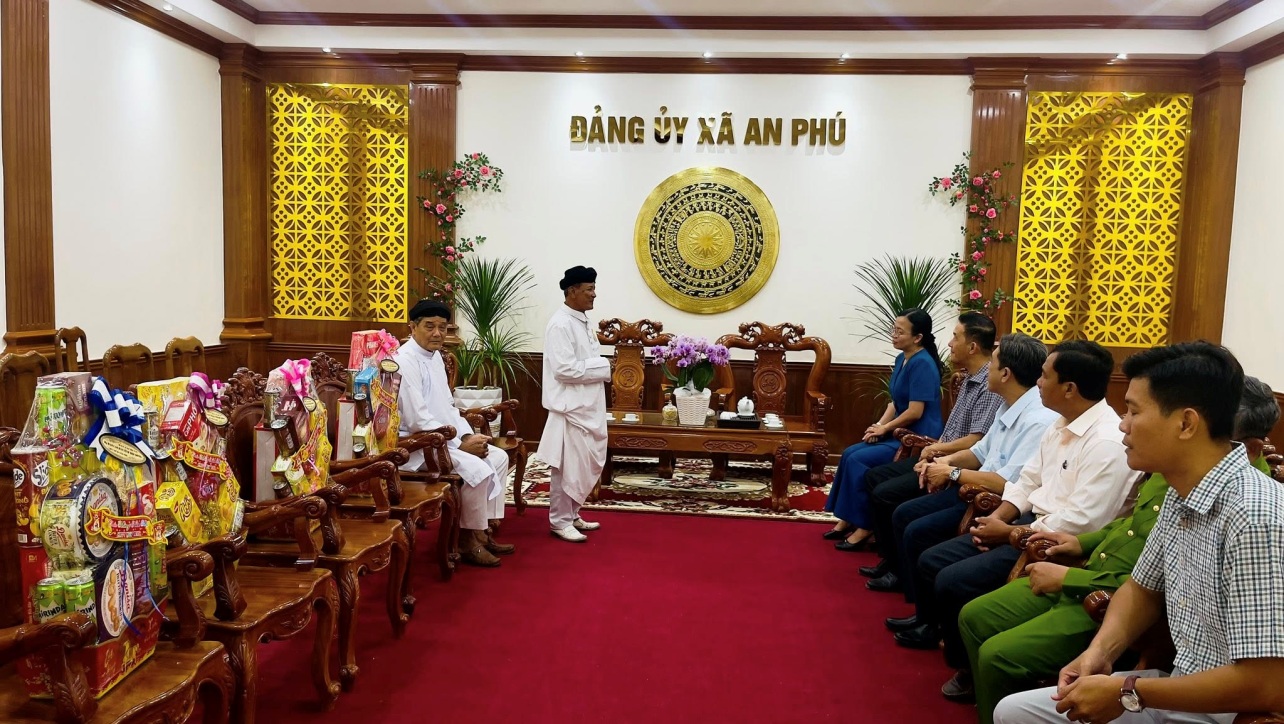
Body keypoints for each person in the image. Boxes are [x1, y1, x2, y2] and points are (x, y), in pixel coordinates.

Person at [961, 375, 1282, 724]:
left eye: (1134, 411)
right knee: (1012, 712)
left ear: (1186, 424)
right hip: (1179, 683)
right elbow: (1141, 588)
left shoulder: (1257, 518)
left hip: (1231, 709)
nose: (1122, 424)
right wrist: (1100, 652)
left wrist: (1130, 691)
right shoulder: (1180, 489)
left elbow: (1266, 684)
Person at [889, 340, 1139, 703]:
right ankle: (960, 652)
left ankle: (968, 668)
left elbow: (1082, 522)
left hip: (1053, 544)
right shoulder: (1060, 423)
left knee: (953, 579)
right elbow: (1027, 480)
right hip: (1026, 521)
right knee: (935, 558)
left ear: (1069, 388)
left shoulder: (1106, 442)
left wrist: (1010, 533)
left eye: (1045, 376)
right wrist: (997, 517)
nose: (1037, 382)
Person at [857, 312, 1004, 585]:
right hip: (942, 454)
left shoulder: (988, 385)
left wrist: (938, 453)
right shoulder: (969, 377)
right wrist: (935, 450)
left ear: (972, 346)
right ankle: (891, 558)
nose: (949, 343)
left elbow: (976, 440)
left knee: (887, 495)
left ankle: (899, 571)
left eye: (955, 337)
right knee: (874, 477)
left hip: (956, 463)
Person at [395, 299, 514, 568]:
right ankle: (466, 540)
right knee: (476, 468)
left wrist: (466, 437)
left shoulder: (435, 356)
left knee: (498, 457)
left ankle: (483, 531)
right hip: (418, 445)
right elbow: (417, 419)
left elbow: (448, 407)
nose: (437, 333)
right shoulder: (404, 361)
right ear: (412, 327)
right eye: (430, 326)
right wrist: (459, 446)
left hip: (444, 438)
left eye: (442, 327)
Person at [824, 309, 945, 551]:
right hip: (898, 429)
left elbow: (915, 411)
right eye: (894, 329)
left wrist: (886, 428)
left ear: (918, 337)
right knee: (849, 453)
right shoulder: (902, 358)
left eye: (900, 332)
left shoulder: (923, 363)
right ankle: (847, 518)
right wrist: (878, 427)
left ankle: (865, 525)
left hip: (916, 436)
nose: (894, 335)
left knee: (859, 460)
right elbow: (895, 403)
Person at [539, 265, 610, 543]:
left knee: (582, 465)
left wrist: (597, 366)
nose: (594, 294)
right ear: (572, 291)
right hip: (569, 410)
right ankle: (559, 521)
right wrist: (603, 366)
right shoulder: (560, 324)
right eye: (589, 289)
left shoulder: (581, 320)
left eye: (594, 288)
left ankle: (572, 513)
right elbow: (564, 369)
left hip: (587, 407)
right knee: (566, 466)